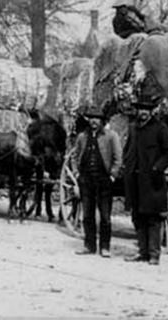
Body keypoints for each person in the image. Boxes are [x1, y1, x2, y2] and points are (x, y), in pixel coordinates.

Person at [123, 97, 168, 265]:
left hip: (152, 180)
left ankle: (154, 254)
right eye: (140, 109)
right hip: (134, 179)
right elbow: (128, 150)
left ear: (151, 111)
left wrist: (157, 168)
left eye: (146, 110)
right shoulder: (133, 128)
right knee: (137, 216)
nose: (143, 113)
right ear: (137, 111)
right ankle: (142, 252)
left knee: (153, 218)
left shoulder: (160, 128)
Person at [74, 108, 122, 258]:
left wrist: (113, 175)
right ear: (88, 120)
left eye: (97, 118)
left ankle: (105, 247)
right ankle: (89, 245)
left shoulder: (111, 136)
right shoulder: (82, 137)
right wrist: (76, 173)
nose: (94, 121)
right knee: (87, 215)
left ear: (102, 121)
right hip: (86, 180)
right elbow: (75, 157)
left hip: (104, 180)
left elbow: (118, 158)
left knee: (105, 216)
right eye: (91, 118)